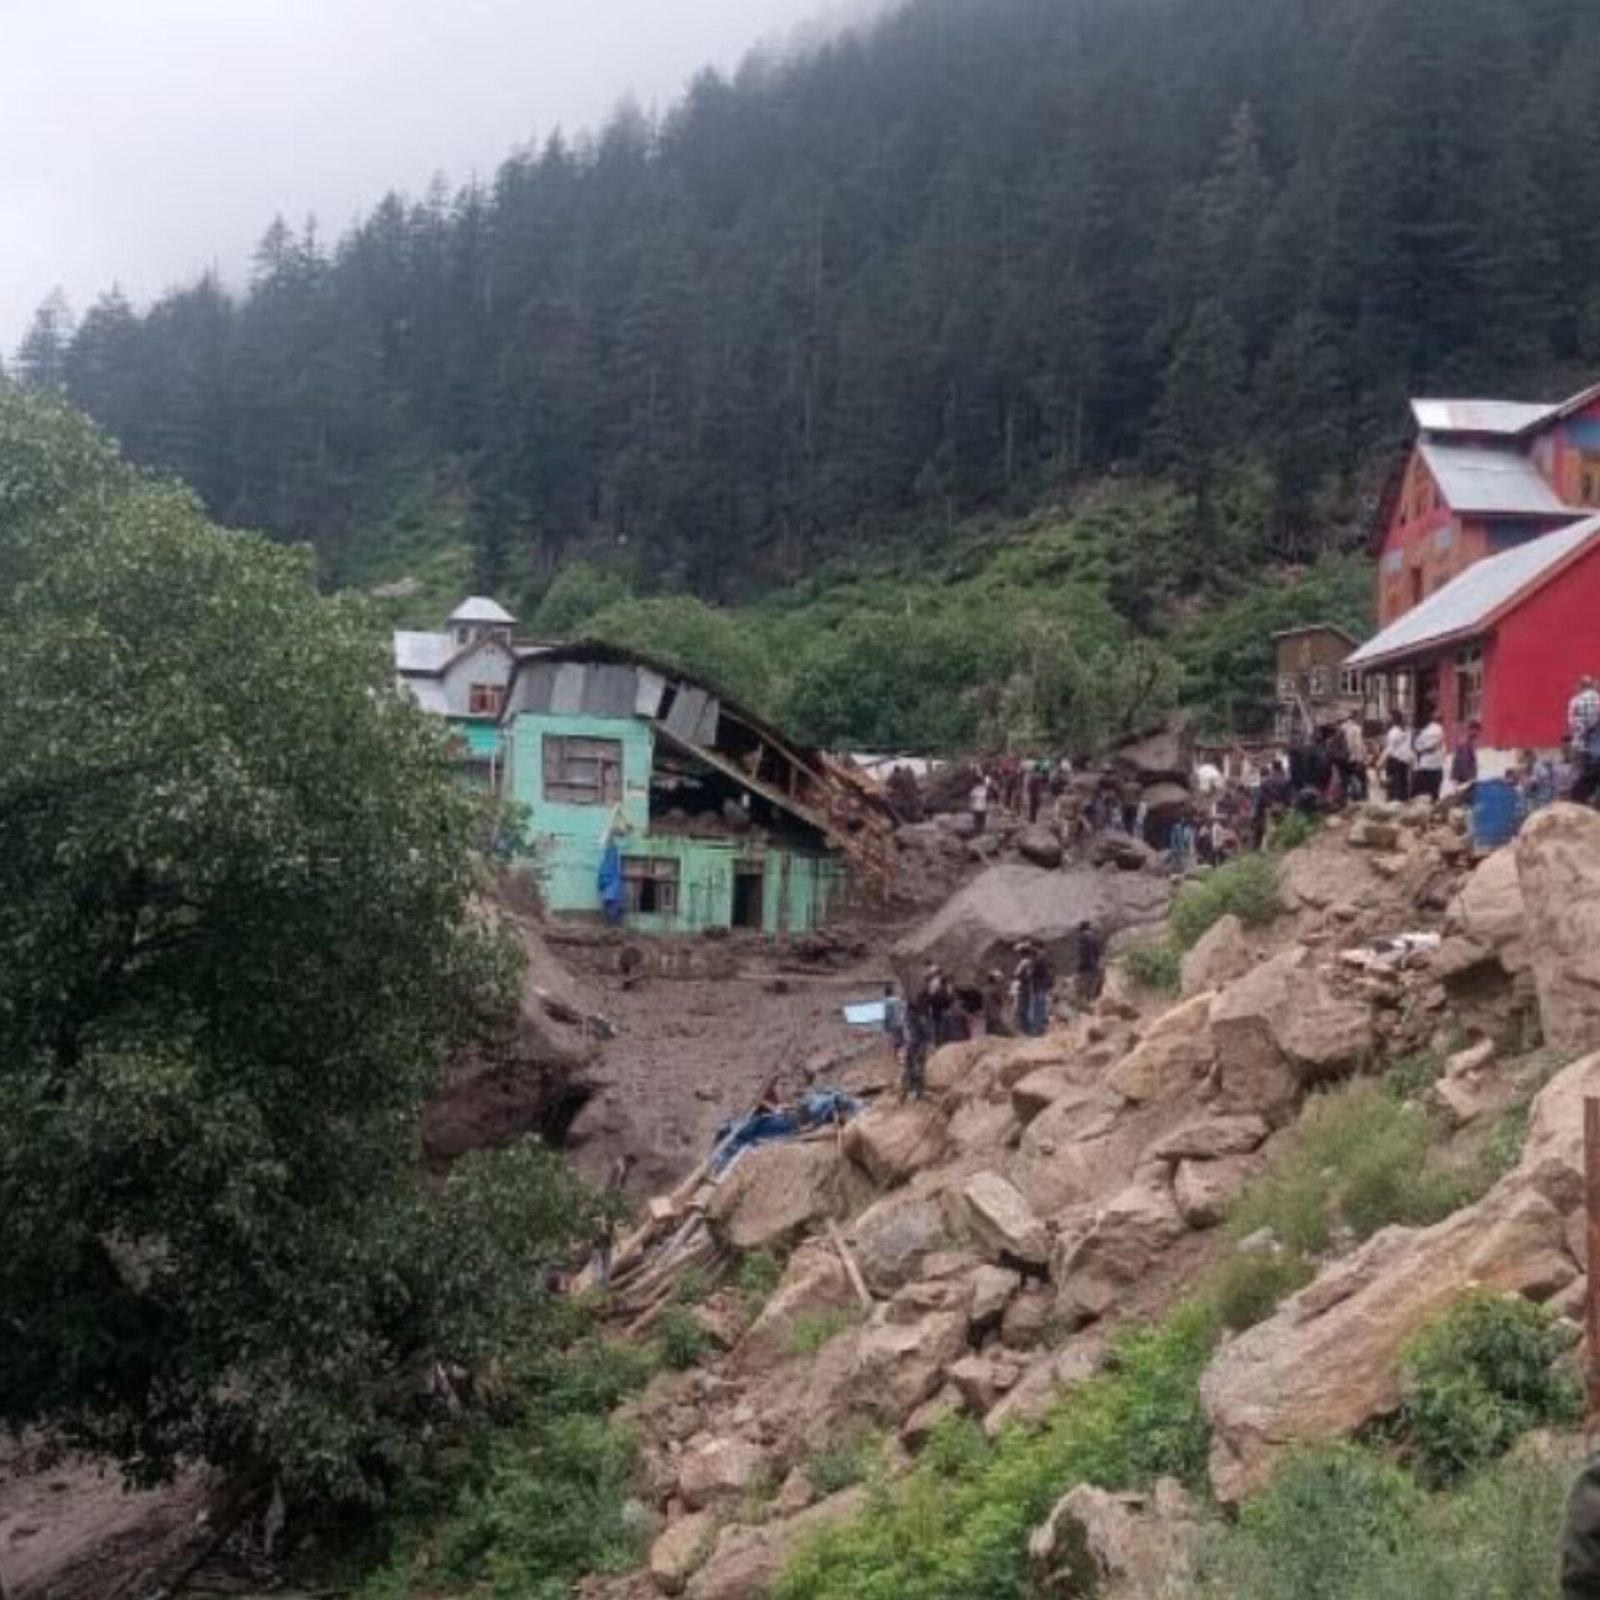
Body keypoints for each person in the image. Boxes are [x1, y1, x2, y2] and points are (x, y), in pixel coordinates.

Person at [1570, 675, 1600, 806]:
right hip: (1595, 748)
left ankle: (1578, 806)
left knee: (1581, 782)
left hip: (1581, 747)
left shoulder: (1575, 700)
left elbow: (1573, 724)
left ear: (1580, 686)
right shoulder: (1597, 699)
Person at [1412, 711, 1446, 802]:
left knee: (1424, 790)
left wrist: (1421, 750)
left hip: (1424, 763)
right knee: (1434, 791)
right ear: (1440, 720)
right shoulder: (1439, 729)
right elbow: (1439, 745)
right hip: (1435, 764)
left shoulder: (1425, 731)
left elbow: (1416, 746)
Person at [1382, 712, 1414, 803]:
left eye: (1388, 719)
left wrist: (1380, 762)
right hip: (1404, 761)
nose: (1386, 721)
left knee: (1393, 785)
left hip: (1394, 761)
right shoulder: (1408, 731)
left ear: (1393, 720)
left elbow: (1389, 749)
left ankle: (1394, 802)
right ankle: (1403, 801)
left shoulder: (1393, 732)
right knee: (1403, 783)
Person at [1075, 920, 1104, 1008]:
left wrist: (1080, 965)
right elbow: (1098, 952)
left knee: (1085, 986)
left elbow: (1083, 953)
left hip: (1086, 966)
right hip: (1094, 965)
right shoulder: (1095, 937)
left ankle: (1086, 1006)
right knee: (1093, 986)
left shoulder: (1082, 939)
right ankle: (1093, 1004)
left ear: (1081, 929)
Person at [1449, 720, 1481, 796]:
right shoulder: (1465, 740)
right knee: (1461, 794)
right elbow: (1464, 759)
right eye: (1477, 731)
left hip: (1463, 771)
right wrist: (1469, 776)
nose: (1477, 734)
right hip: (1463, 772)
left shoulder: (1468, 739)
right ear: (1472, 729)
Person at [982, 969, 1012, 1037]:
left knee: (991, 1034)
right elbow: (1004, 1001)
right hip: (996, 1016)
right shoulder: (995, 989)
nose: (1001, 979)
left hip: (989, 1016)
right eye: (999, 977)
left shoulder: (986, 989)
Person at [882, 981, 905, 1059]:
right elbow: (903, 1009)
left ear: (885, 993)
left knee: (895, 1040)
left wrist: (885, 1026)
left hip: (892, 1024)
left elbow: (887, 1015)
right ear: (892, 992)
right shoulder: (898, 1000)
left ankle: (897, 1055)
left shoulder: (886, 1002)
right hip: (900, 1022)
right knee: (901, 1040)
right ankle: (900, 1055)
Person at [969, 770, 992, 835]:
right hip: (983, 807)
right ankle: (981, 832)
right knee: (982, 821)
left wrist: (971, 806)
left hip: (976, 808)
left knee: (977, 821)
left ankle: (977, 832)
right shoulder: (985, 790)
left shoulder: (974, 790)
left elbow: (972, 799)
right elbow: (988, 798)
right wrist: (987, 806)